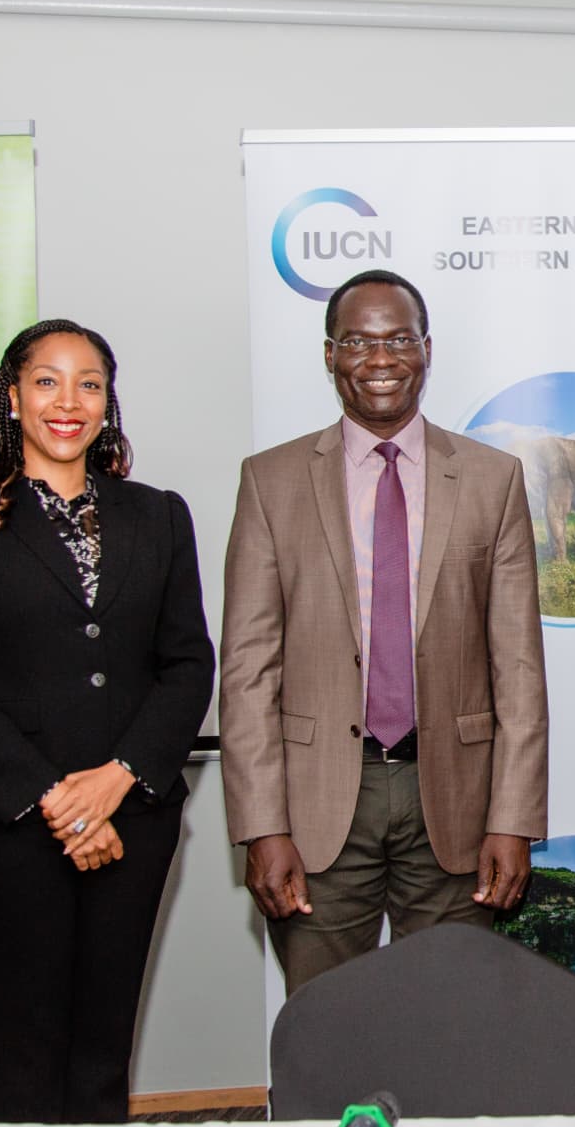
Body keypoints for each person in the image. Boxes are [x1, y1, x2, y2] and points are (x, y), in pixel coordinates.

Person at [0, 319, 214, 1123]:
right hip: (6, 829)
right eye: (47, 381)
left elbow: (188, 664)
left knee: (104, 1049)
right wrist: (58, 801)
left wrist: (116, 781)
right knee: (23, 1046)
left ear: (109, 403)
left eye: (89, 384)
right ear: (12, 397)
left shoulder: (159, 515)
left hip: (134, 820)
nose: (68, 402)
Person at [220, 269, 548, 995]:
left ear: (427, 350)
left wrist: (514, 818)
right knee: (327, 1028)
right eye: (359, 342)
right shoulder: (269, 482)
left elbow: (518, 668)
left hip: (457, 802)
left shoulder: (493, 480)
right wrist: (261, 827)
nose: (380, 358)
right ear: (330, 354)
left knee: (449, 1028)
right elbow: (246, 673)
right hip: (316, 806)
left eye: (399, 338)